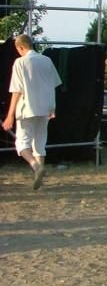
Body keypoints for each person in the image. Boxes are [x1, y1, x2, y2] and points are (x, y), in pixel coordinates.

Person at [2, 34, 62, 190]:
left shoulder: (20, 62)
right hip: (46, 108)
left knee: (21, 143)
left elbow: (16, 91)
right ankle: (40, 181)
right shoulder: (47, 60)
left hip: (27, 108)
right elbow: (53, 84)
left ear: (20, 47)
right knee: (39, 144)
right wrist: (52, 107)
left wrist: (9, 115)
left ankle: (36, 167)